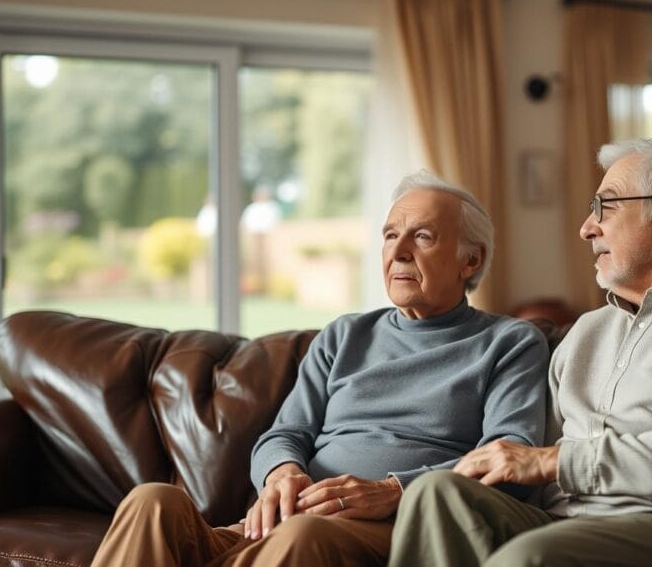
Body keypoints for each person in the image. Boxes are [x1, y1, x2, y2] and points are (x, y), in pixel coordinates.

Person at [389, 137, 652, 567]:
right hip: (568, 526)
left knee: (531, 556)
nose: (586, 228)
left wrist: (556, 461)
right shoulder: (587, 332)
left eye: (605, 207)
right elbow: (532, 470)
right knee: (437, 493)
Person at [89, 170, 549, 567]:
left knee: (303, 537)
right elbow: (284, 435)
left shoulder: (508, 343)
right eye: (391, 235)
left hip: (384, 531)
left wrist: (392, 490)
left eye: (423, 236)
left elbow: (510, 459)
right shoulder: (345, 335)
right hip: (281, 524)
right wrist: (283, 473)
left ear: (472, 259)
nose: (399, 251)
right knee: (151, 502)